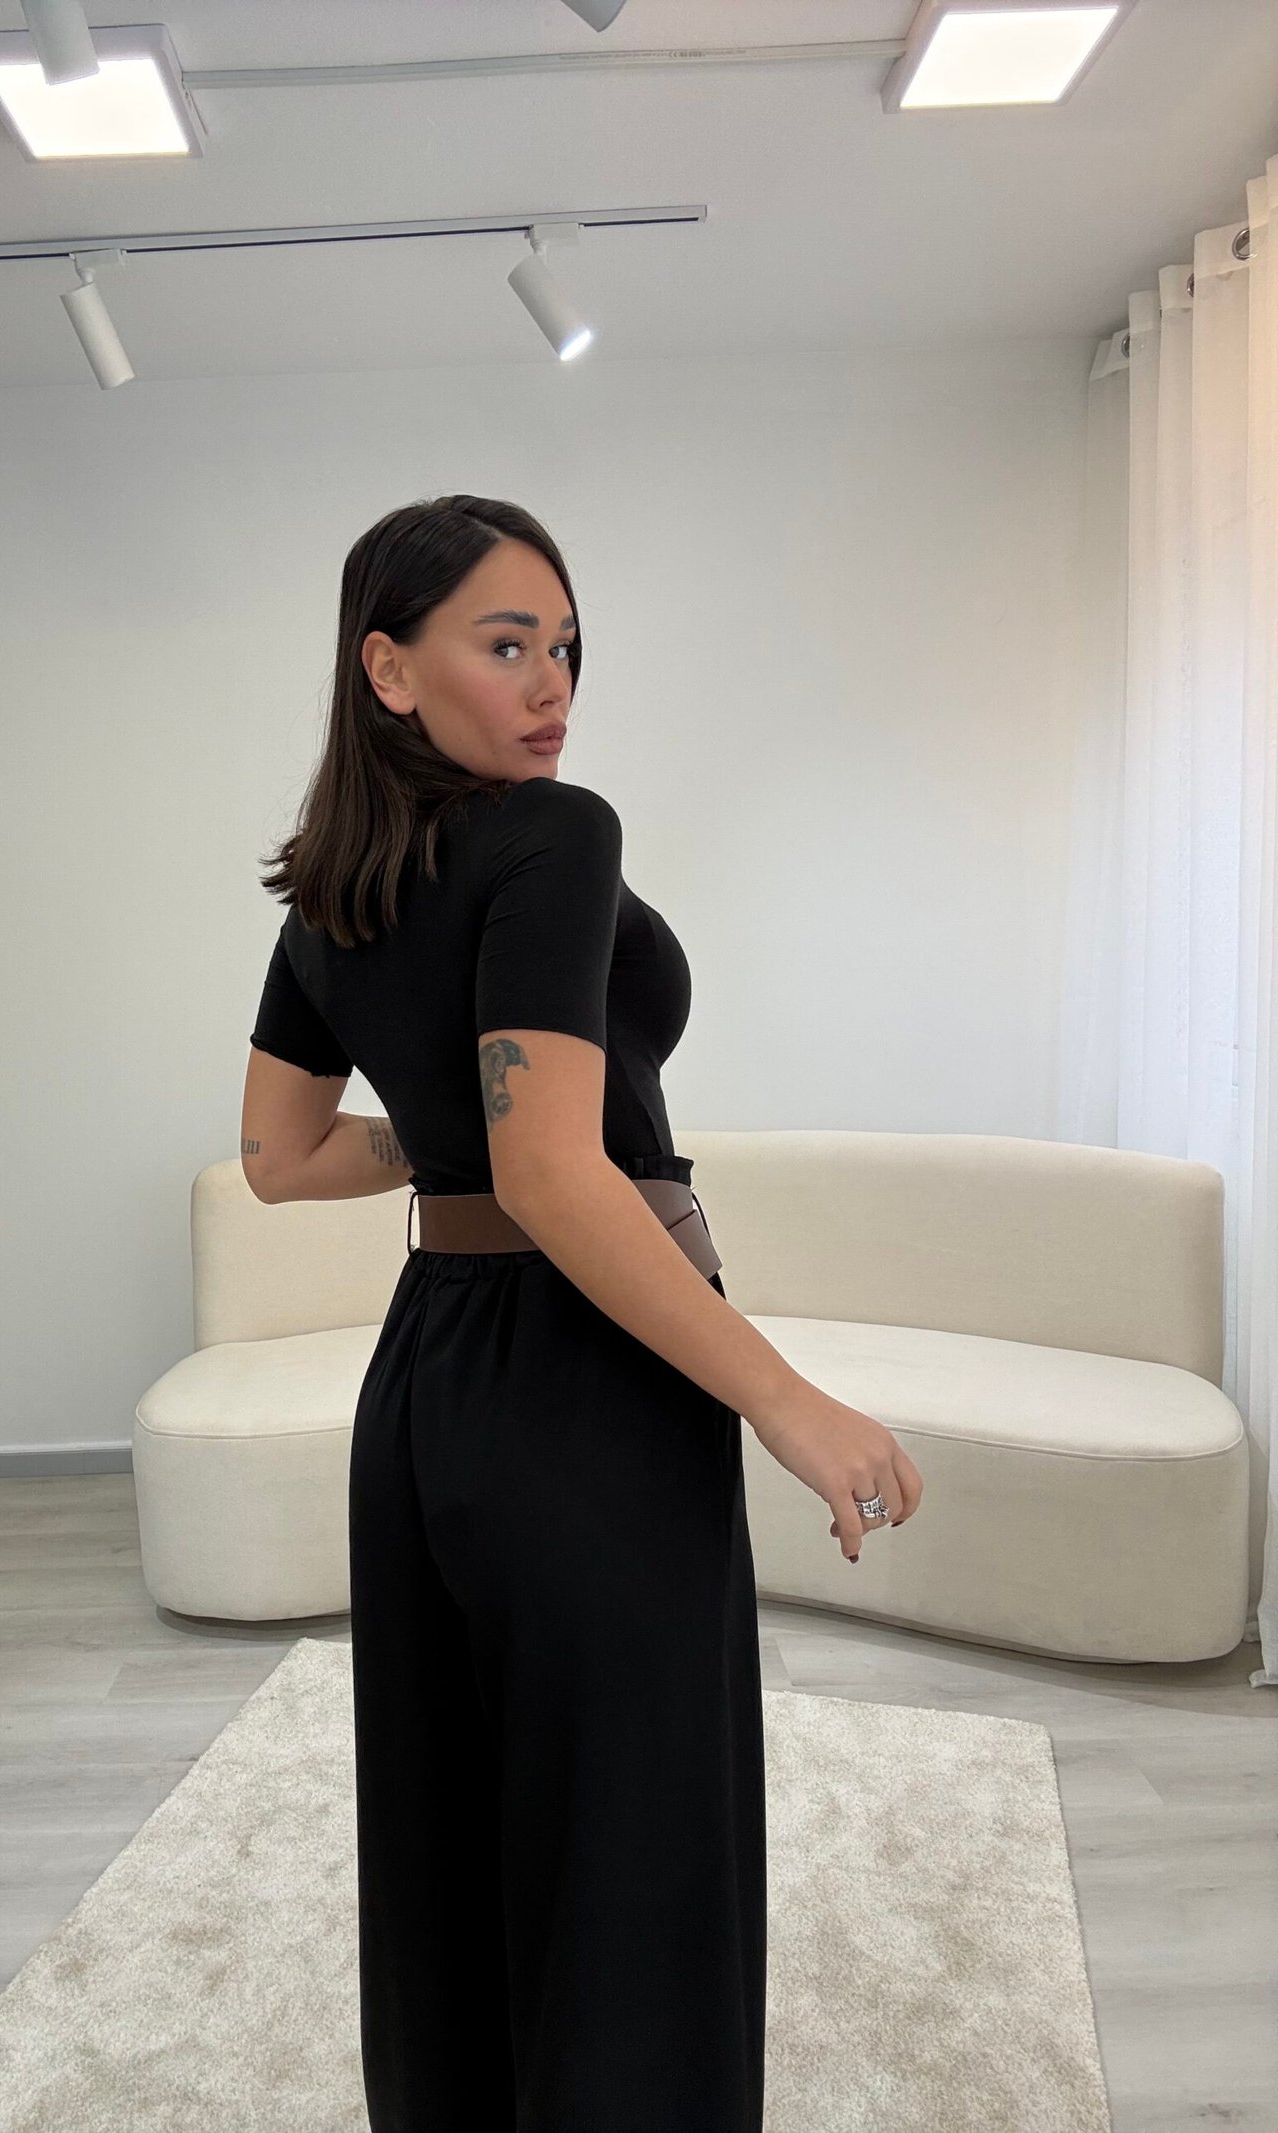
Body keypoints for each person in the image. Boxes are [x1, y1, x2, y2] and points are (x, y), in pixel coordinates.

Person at [242, 494, 924, 2133]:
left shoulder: (327, 896)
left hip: (429, 1376)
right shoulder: (556, 835)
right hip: (586, 1381)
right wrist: (788, 1399)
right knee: (634, 1842)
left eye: (564, 647)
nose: (551, 683)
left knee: (452, 1817)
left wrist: (458, 1139)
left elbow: (281, 1156)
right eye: (506, 644)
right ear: (387, 669)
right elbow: (557, 1174)